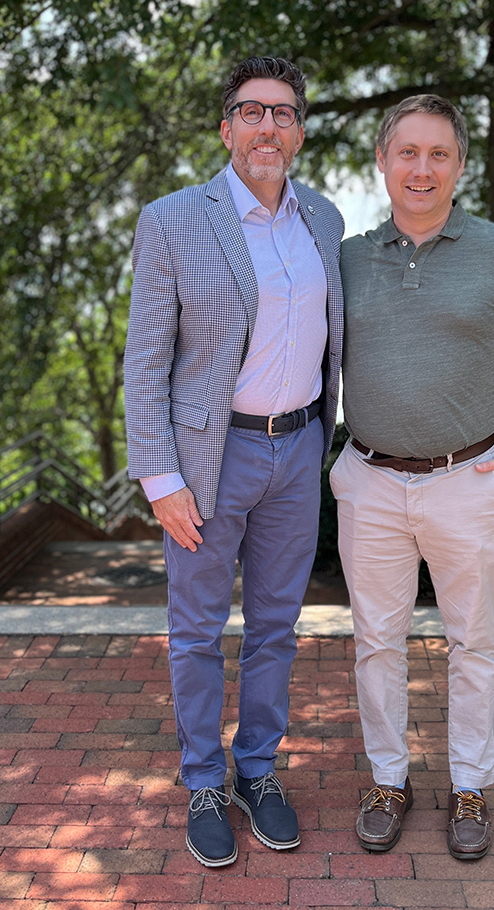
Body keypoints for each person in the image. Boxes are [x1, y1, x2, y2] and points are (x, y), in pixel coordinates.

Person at [329, 94, 494, 860]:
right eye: (407, 152)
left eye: (439, 154)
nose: (421, 168)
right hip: (367, 479)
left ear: (460, 166)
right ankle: (387, 780)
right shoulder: (344, 258)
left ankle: (469, 785)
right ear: (382, 160)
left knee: (473, 642)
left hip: (468, 478)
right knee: (376, 641)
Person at [124, 56, 344, 868]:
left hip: (299, 451)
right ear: (226, 129)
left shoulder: (325, 220)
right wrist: (160, 477)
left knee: (278, 628)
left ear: (297, 132)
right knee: (195, 633)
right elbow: (144, 359)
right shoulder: (174, 219)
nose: (267, 127)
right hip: (208, 460)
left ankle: (258, 772)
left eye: (283, 113)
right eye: (251, 111)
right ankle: (204, 782)